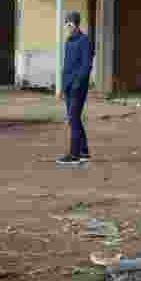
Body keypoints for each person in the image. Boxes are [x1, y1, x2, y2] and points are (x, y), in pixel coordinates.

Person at [55, 11, 93, 166]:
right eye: (66, 23)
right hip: (69, 87)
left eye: (70, 23)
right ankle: (84, 151)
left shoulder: (85, 41)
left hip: (78, 87)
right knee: (74, 119)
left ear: (77, 24)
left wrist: (78, 83)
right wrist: (63, 88)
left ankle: (74, 154)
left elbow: (86, 65)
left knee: (73, 119)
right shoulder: (68, 41)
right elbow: (67, 67)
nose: (68, 26)